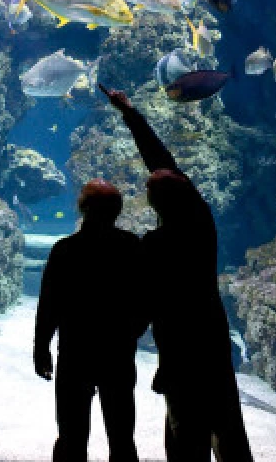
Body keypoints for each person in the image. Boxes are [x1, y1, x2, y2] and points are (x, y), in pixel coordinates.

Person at [99, 82, 255, 462]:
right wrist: (131, 114)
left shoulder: (153, 246)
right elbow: (163, 163)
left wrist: (122, 339)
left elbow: (143, 303)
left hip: (179, 348)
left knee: (185, 430)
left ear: (154, 204)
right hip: (213, 338)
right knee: (228, 424)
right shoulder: (203, 225)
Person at [34, 178, 149, 462]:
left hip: (75, 353)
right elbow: (146, 296)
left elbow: (49, 305)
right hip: (118, 353)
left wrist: (41, 347)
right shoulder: (131, 246)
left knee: (71, 437)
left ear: (82, 208)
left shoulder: (65, 250)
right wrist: (135, 329)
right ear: (117, 211)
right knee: (122, 437)